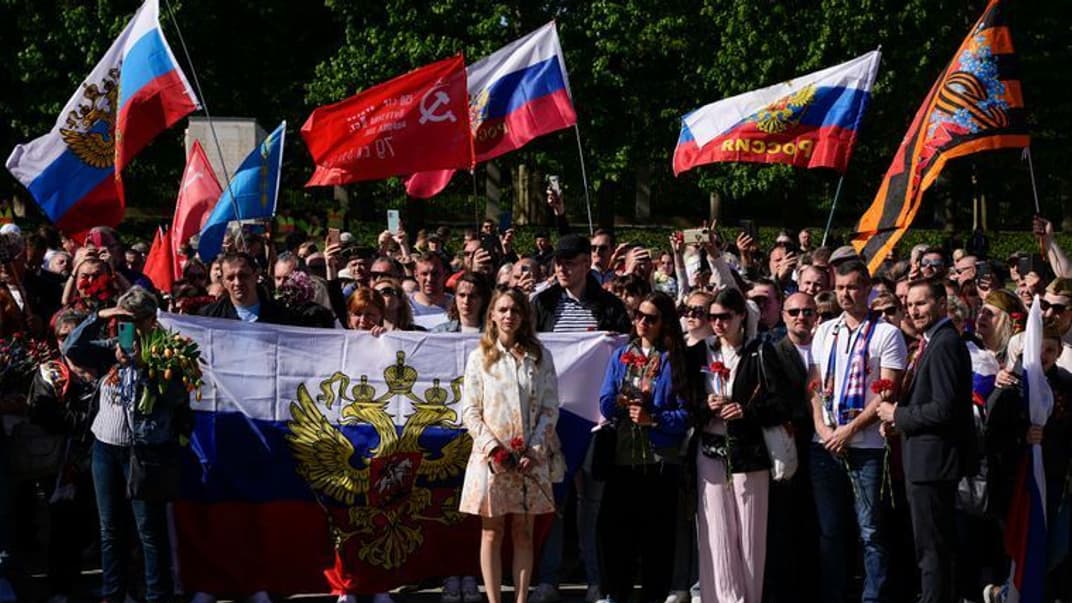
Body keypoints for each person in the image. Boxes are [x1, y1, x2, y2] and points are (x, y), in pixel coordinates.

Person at [63, 287, 192, 603]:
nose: (127, 329)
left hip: (146, 451)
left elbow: (177, 398)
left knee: (148, 529)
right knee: (110, 529)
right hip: (106, 447)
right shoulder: (109, 350)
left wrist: (146, 366)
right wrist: (99, 316)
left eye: (133, 321)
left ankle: (156, 595)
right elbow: (72, 346)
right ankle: (113, 593)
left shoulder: (169, 354)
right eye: (122, 321)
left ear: (150, 321)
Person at [531, 233, 629, 603]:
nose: (561, 268)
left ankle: (596, 580)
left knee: (593, 506)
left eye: (570, 262)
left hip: (596, 422)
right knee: (554, 503)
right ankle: (548, 579)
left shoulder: (609, 306)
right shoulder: (542, 304)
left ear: (588, 263)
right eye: (557, 262)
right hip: (552, 420)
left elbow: (624, 356)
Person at [809, 260, 907, 603]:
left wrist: (849, 430)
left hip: (866, 445)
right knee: (830, 531)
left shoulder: (887, 333)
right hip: (826, 444)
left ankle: (872, 597)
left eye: (852, 287)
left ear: (867, 288)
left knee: (870, 530)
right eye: (839, 288)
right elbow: (816, 386)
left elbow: (888, 391)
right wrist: (822, 428)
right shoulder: (825, 330)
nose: (845, 294)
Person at [460, 287, 564, 603]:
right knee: (492, 532)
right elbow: (470, 410)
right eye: (502, 310)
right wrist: (493, 447)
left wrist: (534, 450)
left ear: (523, 316)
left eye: (515, 310)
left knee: (524, 532)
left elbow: (550, 406)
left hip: (530, 457)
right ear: (492, 313)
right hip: (492, 458)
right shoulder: (480, 357)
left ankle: (520, 599)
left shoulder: (540, 357)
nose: (508, 316)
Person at [877, 279, 976, 603]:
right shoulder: (934, 341)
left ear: (941, 304)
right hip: (925, 462)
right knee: (934, 548)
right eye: (910, 305)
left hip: (933, 465)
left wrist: (898, 416)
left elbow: (944, 409)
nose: (913, 310)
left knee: (933, 550)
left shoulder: (945, 343)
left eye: (921, 303)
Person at [696, 288, 790, 603]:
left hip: (749, 453)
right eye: (713, 317)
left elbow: (781, 403)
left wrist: (745, 411)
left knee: (750, 538)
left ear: (740, 317)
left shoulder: (760, 351)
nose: (718, 323)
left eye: (724, 317)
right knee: (716, 534)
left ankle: (750, 598)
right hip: (710, 449)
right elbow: (685, 400)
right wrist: (704, 404)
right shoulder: (701, 352)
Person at [597, 291, 689, 603]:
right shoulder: (622, 354)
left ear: (664, 323)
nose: (643, 322)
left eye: (651, 318)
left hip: (660, 460)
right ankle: (618, 594)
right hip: (623, 458)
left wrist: (655, 419)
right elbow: (605, 402)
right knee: (618, 539)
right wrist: (622, 401)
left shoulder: (675, 358)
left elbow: (686, 414)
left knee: (657, 544)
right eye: (639, 315)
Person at [767, 292, 820, 603]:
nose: (801, 316)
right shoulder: (773, 351)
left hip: (825, 447)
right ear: (784, 315)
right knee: (785, 527)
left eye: (808, 311)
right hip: (790, 447)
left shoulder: (826, 347)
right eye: (795, 311)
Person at [199, 252, 294, 325]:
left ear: (256, 276)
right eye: (230, 278)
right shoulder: (209, 316)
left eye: (243, 276)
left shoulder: (281, 315)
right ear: (223, 282)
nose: (237, 283)